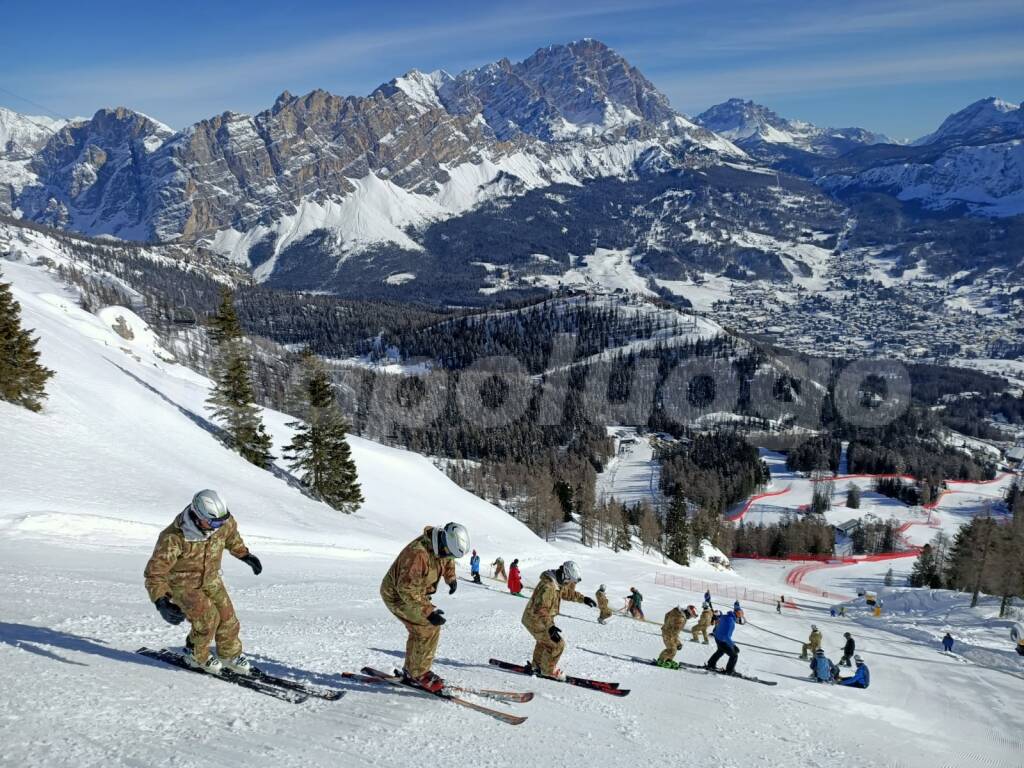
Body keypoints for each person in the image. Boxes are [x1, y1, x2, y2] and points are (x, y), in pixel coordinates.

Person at [144, 489, 262, 676]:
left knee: (227, 617)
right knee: (208, 619)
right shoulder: (174, 537)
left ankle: (229, 655)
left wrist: (244, 554)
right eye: (213, 522)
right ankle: (196, 654)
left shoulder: (222, 522)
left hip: (211, 578)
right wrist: (161, 601)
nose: (218, 526)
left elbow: (231, 536)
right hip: (182, 585)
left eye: (221, 521)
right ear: (198, 516)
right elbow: (155, 573)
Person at [380, 522, 468, 693]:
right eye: (448, 552)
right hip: (397, 595)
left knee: (421, 629)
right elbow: (406, 589)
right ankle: (417, 675)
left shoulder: (442, 547)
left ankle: (413, 671)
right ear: (443, 542)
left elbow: (448, 560)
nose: (448, 556)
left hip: (415, 594)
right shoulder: (417, 554)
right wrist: (428, 611)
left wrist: (451, 578)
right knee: (428, 627)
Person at [521, 561, 594, 680]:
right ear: (565, 575)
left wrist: (584, 599)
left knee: (544, 642)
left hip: (538, 619)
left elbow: (567, 593)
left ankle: (536, 666)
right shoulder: (548, 586)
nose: (569, 584)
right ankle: (548, 670)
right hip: (536, 619)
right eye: (570, 581)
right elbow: (541, 609)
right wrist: (550, 627)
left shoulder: (557, 583)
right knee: (557, 644)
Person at [706, 609, 739, 675]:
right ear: (736, 614)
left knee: (720, 651)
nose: (741, 616)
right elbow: (726, 636)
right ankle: (730, 670)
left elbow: (717, 625)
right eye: (740, 614)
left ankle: (711, 663)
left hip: (718, 638)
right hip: (722, 640)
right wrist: (733, 646)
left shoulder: (725, 616)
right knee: (734, 655)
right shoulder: (730, 621)